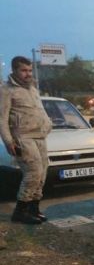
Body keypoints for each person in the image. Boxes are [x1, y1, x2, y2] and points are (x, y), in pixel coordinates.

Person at [0, 56, 52, 224]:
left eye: (30, 70)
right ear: (14, 70)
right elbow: (2, 119)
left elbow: (40, 110)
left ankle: (33, 209)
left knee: (42, 173)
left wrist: (48, 123)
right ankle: (20, 212)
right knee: (33, 172)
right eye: (24, 70)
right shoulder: (6, 90)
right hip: (23, 137)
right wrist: (8, 141)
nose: (28, 74)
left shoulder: (32, 89)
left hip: (40, 136)